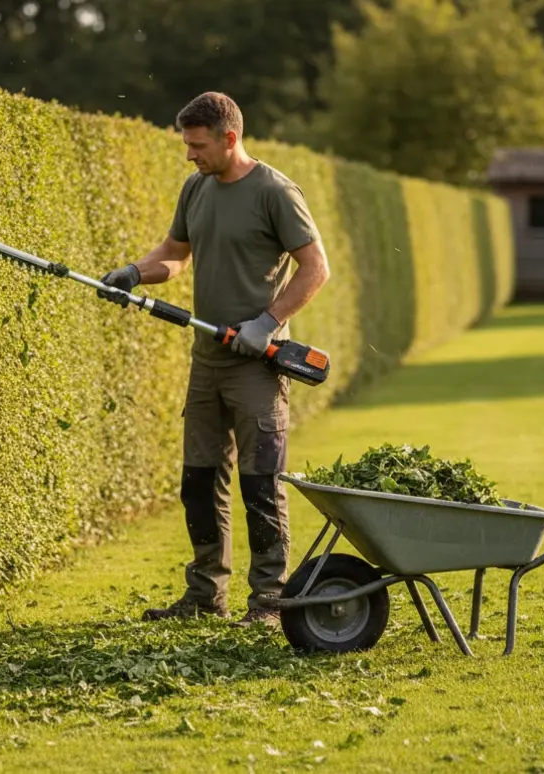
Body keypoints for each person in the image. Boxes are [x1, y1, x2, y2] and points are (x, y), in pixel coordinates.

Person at [97, 92, 330, 628]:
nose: (189, 155)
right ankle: (205, 595)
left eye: (198, 145)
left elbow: (316, 267)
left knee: (260, 484)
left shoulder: (275, 191)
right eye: (187, 144)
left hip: (257, 365)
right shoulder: (195, 188)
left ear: (230, 138)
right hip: (207, 361)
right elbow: (174, 256)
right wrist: (134, 272)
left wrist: (267, 322)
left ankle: (269, 602)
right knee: (199, 482)